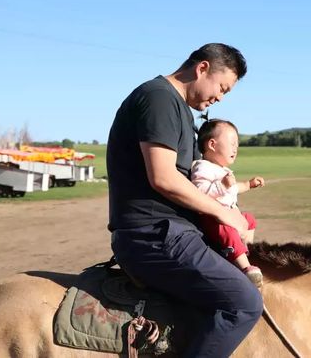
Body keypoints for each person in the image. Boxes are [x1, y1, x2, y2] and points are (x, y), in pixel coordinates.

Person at [106, 43, 263, 358]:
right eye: (222, 87)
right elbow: (163, 177)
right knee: (245, 304)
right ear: (202, 68)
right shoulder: (158, 98)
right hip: (154, 235)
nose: (219, 97)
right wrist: (224, 215)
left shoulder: (180, 112)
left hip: (172, 233)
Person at [191, 119, 265, 287]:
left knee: (250, 219)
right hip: (213, 220)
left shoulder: (221, 170)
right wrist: (222, 185)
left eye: (237, 145)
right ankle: (245, 267)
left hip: (229, 215)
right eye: (232, 143)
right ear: (212, 144)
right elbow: (200, 192)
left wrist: (248, 185)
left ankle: (246, 250)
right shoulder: (203, 167)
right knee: (228, 232)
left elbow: (232, 189)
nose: (235, 149)